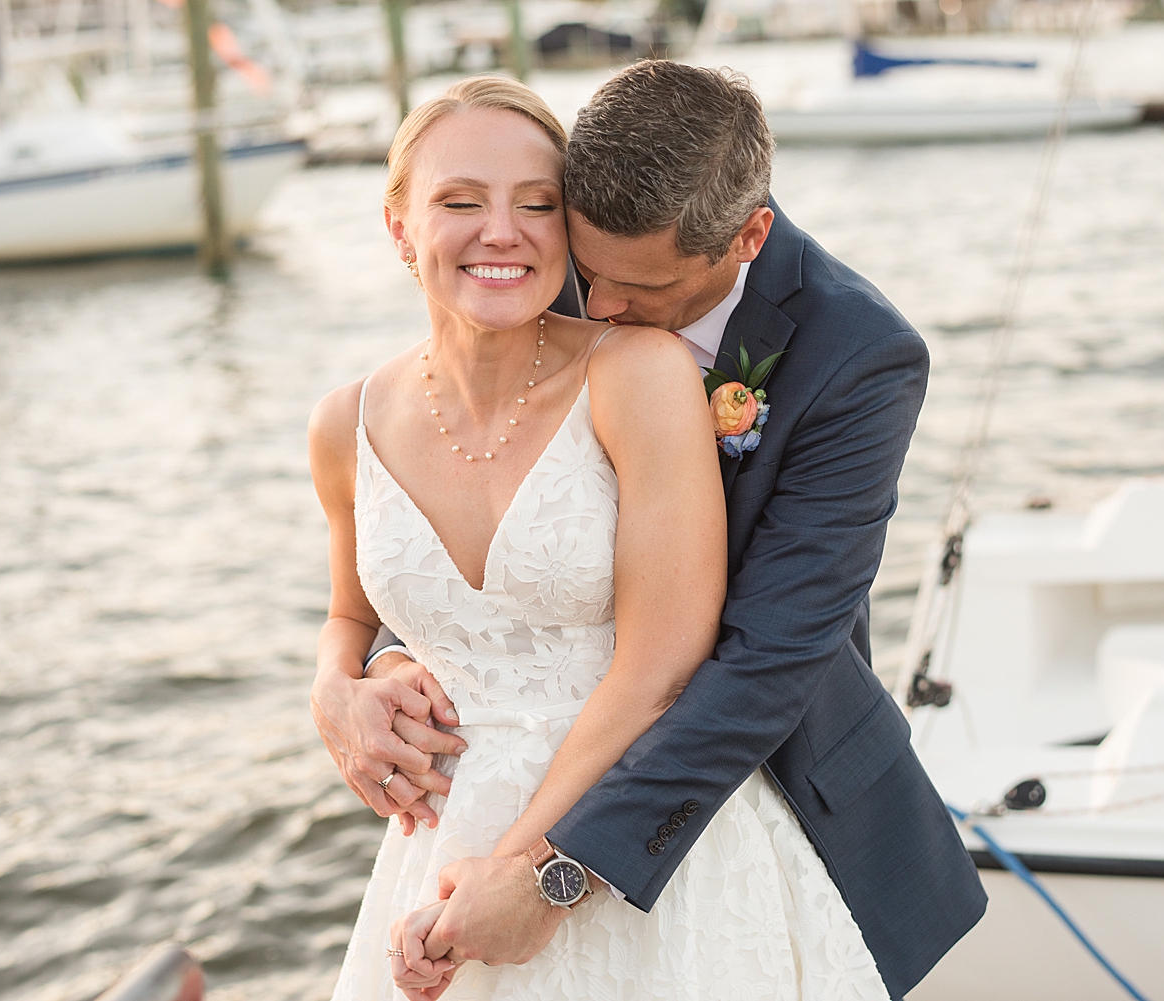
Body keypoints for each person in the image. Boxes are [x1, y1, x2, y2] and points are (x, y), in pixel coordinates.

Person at [312, 64, 986, 1001]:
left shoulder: (859, 355)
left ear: (746, 235)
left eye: (639, 288)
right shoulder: (562, 257)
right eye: (588, 275)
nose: (600, 308)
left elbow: (759, 660)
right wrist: (353, 678)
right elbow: (467, 545)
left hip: (747, 776)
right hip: (472, 813)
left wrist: (550, 873)